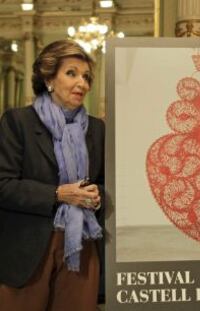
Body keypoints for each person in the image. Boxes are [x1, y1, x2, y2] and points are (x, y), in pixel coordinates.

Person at [0, 40, 105, 311]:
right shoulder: (18, 122)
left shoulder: (97, 129)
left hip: (82, 247)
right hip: (28, 247)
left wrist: (97, 195)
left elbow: (106, 185)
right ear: (48, 78)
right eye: (71, 73)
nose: (81, 83)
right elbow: (4, 185)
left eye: (86, 77)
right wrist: (59, 194)